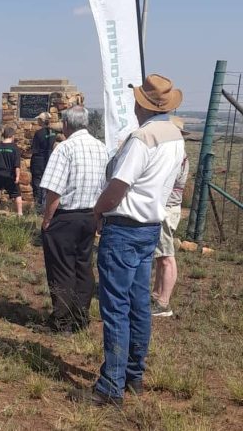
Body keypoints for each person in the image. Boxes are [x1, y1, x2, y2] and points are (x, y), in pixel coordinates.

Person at [75, 74, 184, 407]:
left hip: (123, 228)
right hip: (150, 228)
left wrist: (97, 212)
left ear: (143, 104)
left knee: (116, 309)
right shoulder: (176, 136)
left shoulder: (143, 138)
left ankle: (111, 386)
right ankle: (134, 375)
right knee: (138, 306)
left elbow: (118, 186)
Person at [39, 106, 108, 333]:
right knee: (83, 267)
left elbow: (54, 190)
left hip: (65, 217)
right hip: (90, 215)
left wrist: (47, 219)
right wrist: (99, 217)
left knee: (61, 269)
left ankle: (62, 322)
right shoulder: (101, 148)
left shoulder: (64, 149)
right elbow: (106, 186)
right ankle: (80, 318)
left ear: (66, 125)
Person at [151, 116, 190, 318]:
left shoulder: (176, 155)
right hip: (170, 207)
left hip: (167, 208)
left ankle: (163, 302)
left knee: (166, 256)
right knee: (162, 255)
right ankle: (158, 294)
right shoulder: (180, 154)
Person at [30, 112, 56, 211]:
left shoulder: (38, 133)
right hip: (50, 160)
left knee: (37, 183)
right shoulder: (53, 132)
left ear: (41, 121)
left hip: (38, 161)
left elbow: (34, 149)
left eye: (38, 120)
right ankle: (47, 205)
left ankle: (39, 206)